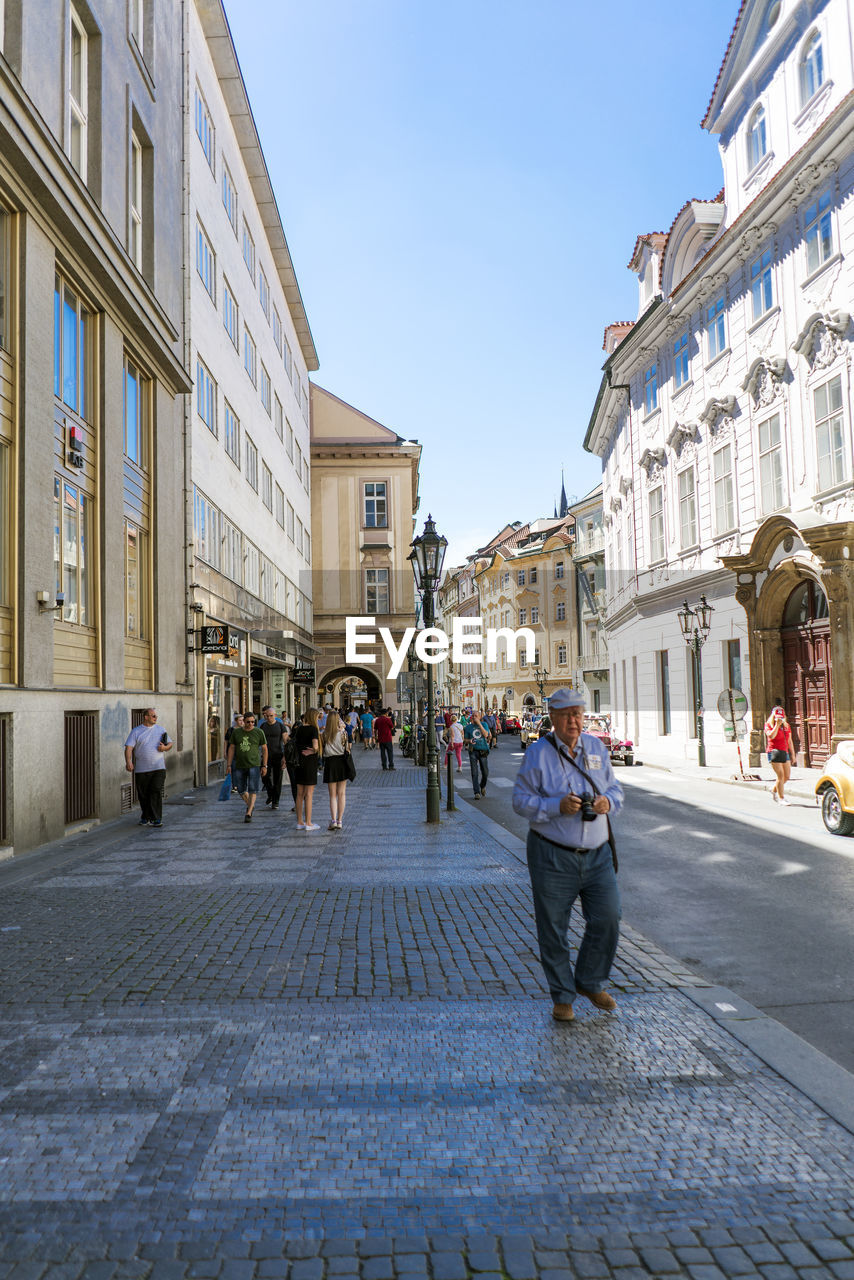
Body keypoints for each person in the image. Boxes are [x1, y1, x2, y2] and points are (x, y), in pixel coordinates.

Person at [512, 687, 623, 1024]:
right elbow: (520, 801)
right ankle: (562, 996)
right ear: (553, 719)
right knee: (553, 928)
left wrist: (607, 802)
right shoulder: (537, 754)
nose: (574, 721)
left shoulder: (596, 748)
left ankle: (589, 981)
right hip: (552, 854)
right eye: (567, 715)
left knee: (608, 918)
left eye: (578, 714)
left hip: (597, 853)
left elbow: (616, 790)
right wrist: (555, 807)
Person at [124, 707, 173, 827]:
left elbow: (170, 743)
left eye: (156, 716)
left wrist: (164, 748)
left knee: (155, 791)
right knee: (143, 794)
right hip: (142, 769)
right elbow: (129, 748)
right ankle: (145, 816)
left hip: (158, 767)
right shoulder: (136, 731)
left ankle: (156, 818)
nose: (156, 718)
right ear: (146, 717)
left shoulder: (161, 730)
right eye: (153, 716)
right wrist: (128, 762)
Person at [225, 713, 268, 823]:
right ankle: (251, 805)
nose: (250, 724)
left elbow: (264, 749)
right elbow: (231, 748)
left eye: (253, 722)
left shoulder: (259, 732)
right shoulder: (237, 732)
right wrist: (229, 764)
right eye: (248, 722)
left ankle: (249, 812)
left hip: (254, 764)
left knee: (253, 788)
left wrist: (264, 765)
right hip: (239, 764)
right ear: (243, 721)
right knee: (240, 789)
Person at [294, 706, 322, 830]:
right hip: (309, 762)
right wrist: (313, 750)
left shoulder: (299, 728)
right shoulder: (313, 729)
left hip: (299, 762)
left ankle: (300, 822)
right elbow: (315, 746)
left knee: (300, 794)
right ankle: (309, 822)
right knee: (309, 794)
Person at [322, 711, 350, 830]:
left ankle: (333, 820)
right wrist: (343, 726)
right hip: (342, 762)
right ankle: (340, 821)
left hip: (330, 763)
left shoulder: (324, 734)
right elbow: (348, 749)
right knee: (342, 793)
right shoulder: (343, 733)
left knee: (332, 795)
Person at [765, 701, 795, 806]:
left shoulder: (786, 726)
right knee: (780, 775)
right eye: (777, 717)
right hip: (774, 752)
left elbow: (790, 740)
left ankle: (773, 789)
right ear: (773, 716)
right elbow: (771, 736)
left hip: (784, 752)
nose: (780, 719)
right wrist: (777, 726)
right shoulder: (768, 725)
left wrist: (793, 754)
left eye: (781, 717)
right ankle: (781, 798)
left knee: (786, 776)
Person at [259, 706, 288, 810]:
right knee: (264, 777)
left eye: (271, 716)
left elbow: (286, 742)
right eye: (267, 716)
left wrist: (285, 757)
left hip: (278, 755)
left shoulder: (280, 726)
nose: (269, 718)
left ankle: (275, 801)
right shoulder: (263, 726)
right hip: (266, 756)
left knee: (277, 779)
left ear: (275, 716)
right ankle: (271, 794)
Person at [464, 710, 491, 798]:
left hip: (483, 750)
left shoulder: (484, 725)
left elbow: (486, 735)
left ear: (479, 717)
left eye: (476, 716)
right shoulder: (468, 727)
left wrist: (479, 724)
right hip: (473, 751)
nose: (475, 717)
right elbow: (464, 740)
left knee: (485, 772)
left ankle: (482, 786)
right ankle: (477, 792)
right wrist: (469, 741)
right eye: (473, 716)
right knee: (474, 772)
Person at [224, 712, 244, 792]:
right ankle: (235, 786)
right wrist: (225, 751)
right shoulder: (231, 730)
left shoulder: (245, 730)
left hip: (242, 752)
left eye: (243, 720)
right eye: (240, 720)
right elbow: (226, 741)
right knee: (233, 768)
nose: (242, 722)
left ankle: (240, 784)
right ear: (236, 721)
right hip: (232, 752)